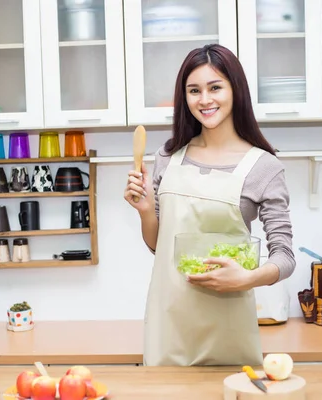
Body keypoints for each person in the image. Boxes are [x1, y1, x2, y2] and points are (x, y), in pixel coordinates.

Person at [123, 44, 296, 367]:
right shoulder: (167, 158)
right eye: (194, 90)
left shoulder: (263, 167)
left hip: (228, 322)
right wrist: (146, 209)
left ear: (235, 91)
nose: (204, 100)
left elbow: (284, 257)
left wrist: (248, 278)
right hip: (168, 323)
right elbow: (158, 246)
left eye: (215, 87)